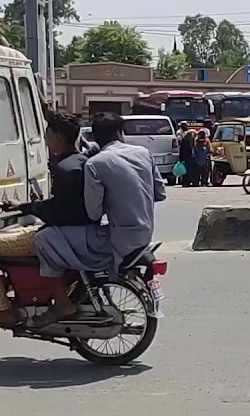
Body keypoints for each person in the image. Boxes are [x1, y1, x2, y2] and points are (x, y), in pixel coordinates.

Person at [0, 109, 98, 331]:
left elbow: (58, 211)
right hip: (78, 229)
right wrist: (25, 207)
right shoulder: (80, 161)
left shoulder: (63, 168)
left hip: (61, 233)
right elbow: (63, 204)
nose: (46, 139)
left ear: (57, 136)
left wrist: (30, 209)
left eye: (48, 133)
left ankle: (2, 310)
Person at [39, 112, 165, 326]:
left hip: (119, 240)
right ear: (119, 132)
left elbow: (94, 213)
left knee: (45, 238)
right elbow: (160, 193)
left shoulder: (95, 164)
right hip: (145, 236)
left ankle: (62, 303)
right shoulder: (143, 153)